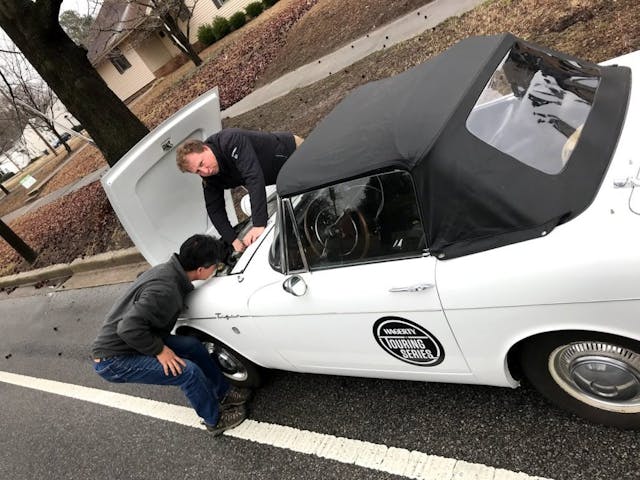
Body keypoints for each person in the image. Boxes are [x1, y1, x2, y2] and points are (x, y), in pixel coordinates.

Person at [91, 234, 251, 435]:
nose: (215, 269)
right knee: (187, 372)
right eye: (215, 267)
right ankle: (215, 420)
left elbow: (141, 282)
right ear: (201, 270)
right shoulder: (166, 289)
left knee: (192, 346)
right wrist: (160, 350)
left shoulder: (169, 271)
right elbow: (128, 328)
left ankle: (224, 393)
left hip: (136, 339)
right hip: (114, 359)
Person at [176, 128, 303, 253]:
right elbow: (214, 208)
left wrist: (258, 224)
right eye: (197, 171)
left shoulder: (230, 140)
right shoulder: (209, 177)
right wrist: (232, 239)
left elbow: (253, 178)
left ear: (205, 148)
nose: (205, 171)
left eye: (202, 163)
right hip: (279, 178)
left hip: (293, 153)